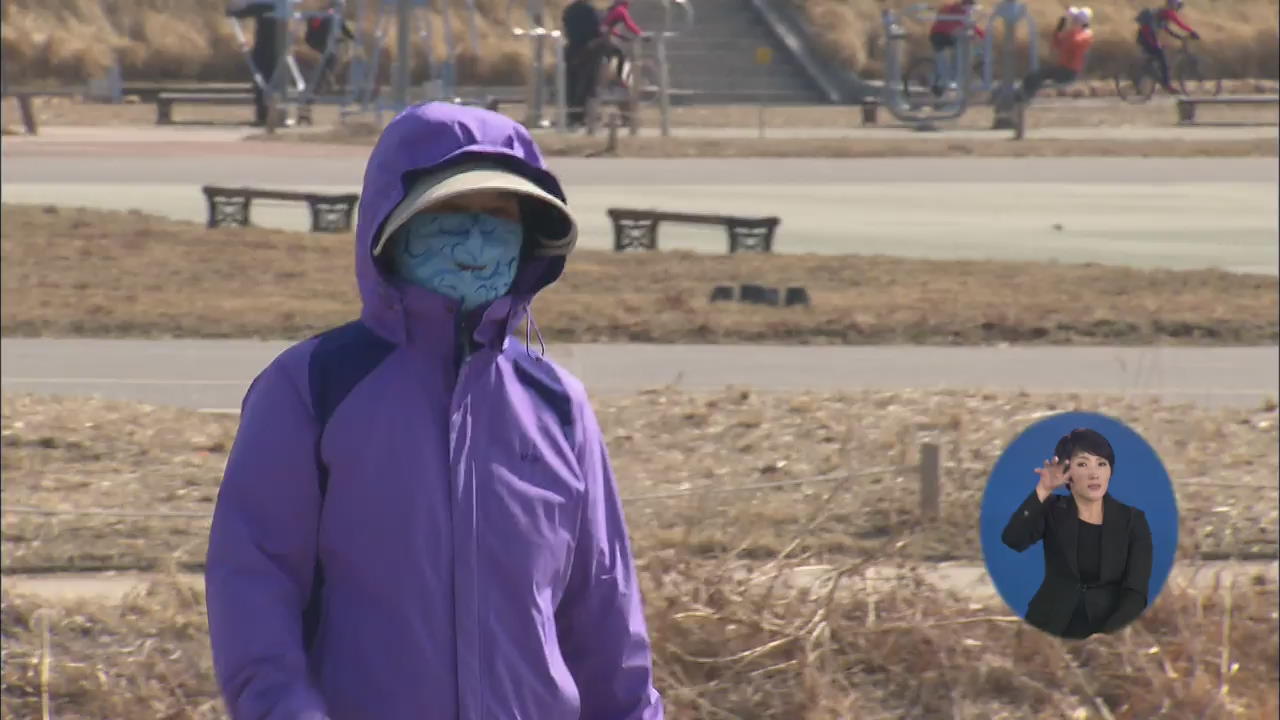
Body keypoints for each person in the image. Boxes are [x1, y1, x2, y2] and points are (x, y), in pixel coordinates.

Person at [205, 102, 665, 719]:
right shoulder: (315, 386)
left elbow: (604, 611)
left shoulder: (557, 406)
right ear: (393, 225)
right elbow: (255, 582)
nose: (476, 238)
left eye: (500, 214)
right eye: (449, 211)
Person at [1001, 428, 1154, 640]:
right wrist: (1043, 490)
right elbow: (1013, 539)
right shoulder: (1053, 509)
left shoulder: (1132, 521)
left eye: (1101, 464)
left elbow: (1136, 592)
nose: (1094, 474)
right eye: (1082, 464)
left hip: (1107, 629)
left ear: (1110, 470)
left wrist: (1108, 635)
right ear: (1066, 473)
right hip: (1049, 624)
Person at [1016, 6, 1094, 105]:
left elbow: (1073, 43)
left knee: (1037, 77)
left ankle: (1024, 97)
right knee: (1032, 76)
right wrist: (1059, 29)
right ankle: (1023, 96)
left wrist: (1071, 28)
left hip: (1069, 72)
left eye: (1076, 20)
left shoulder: (1085, 35)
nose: (1073, 22)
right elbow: (1057, 45)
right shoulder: (1074, 33)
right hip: (1062, 68)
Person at [227, 0, 281, 126]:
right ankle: (264, 115)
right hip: (272, 48)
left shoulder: (269, 5)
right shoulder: (272, 5)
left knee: (264, 81)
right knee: (263, 81)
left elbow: (244, 11)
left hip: (267, 49)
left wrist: (234, 11)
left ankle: (265, 115)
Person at [1136, 0, 1201, 94]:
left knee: (1162, 54)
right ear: (1172, 4)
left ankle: (1155, 74)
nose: (1177, 8)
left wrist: (1179, 37)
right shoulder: (1168, 12)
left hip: (1145, 36)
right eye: (1177, 5)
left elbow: (1167, 29)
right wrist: (1192, 32)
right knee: (1163, 60)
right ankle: (1167, 85)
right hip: (1147, 36)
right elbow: (1180, 24)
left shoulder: (1162, 13)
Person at [927, 0, 986, 96]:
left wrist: (981, 35)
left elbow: (970, 26)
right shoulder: (958, 11)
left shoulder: (957, 9)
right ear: (967, 5)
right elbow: (967, 25)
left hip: (941, 35)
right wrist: (981, 35)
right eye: (971, 7)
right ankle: (945, 81)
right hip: (941, 36)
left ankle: (947, 80)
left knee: (953, 56)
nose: (971, 10)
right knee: (953, 56)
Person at [562, 0, 605, 127]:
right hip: (589, 51)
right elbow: (598, 31)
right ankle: (582, 116)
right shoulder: (591, 10)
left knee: (571, 84)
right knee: (587, 85)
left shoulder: (569, 9)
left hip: (572, 49)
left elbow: (565, 28)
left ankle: (572, 114)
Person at [303, 0, 356, 95]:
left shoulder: (337, 16)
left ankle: (323, 82)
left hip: (324, 42)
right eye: (341, 7)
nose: (343, 9)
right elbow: (320, 30)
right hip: (317, 41)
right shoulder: (328, 14)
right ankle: (321, 83)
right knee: (331, 59)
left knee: (331, 60)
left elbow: (344, 29)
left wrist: (353, 38)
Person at [600, 0, 646, 88]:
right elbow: (629, 24)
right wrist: (641, 34)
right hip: (603, 39)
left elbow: (607, 27)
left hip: (600, 38)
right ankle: (617, 80)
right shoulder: (621, 10)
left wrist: (621, 37)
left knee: (610, 57)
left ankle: (609, 81)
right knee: (620, 55)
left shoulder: (614, 10)